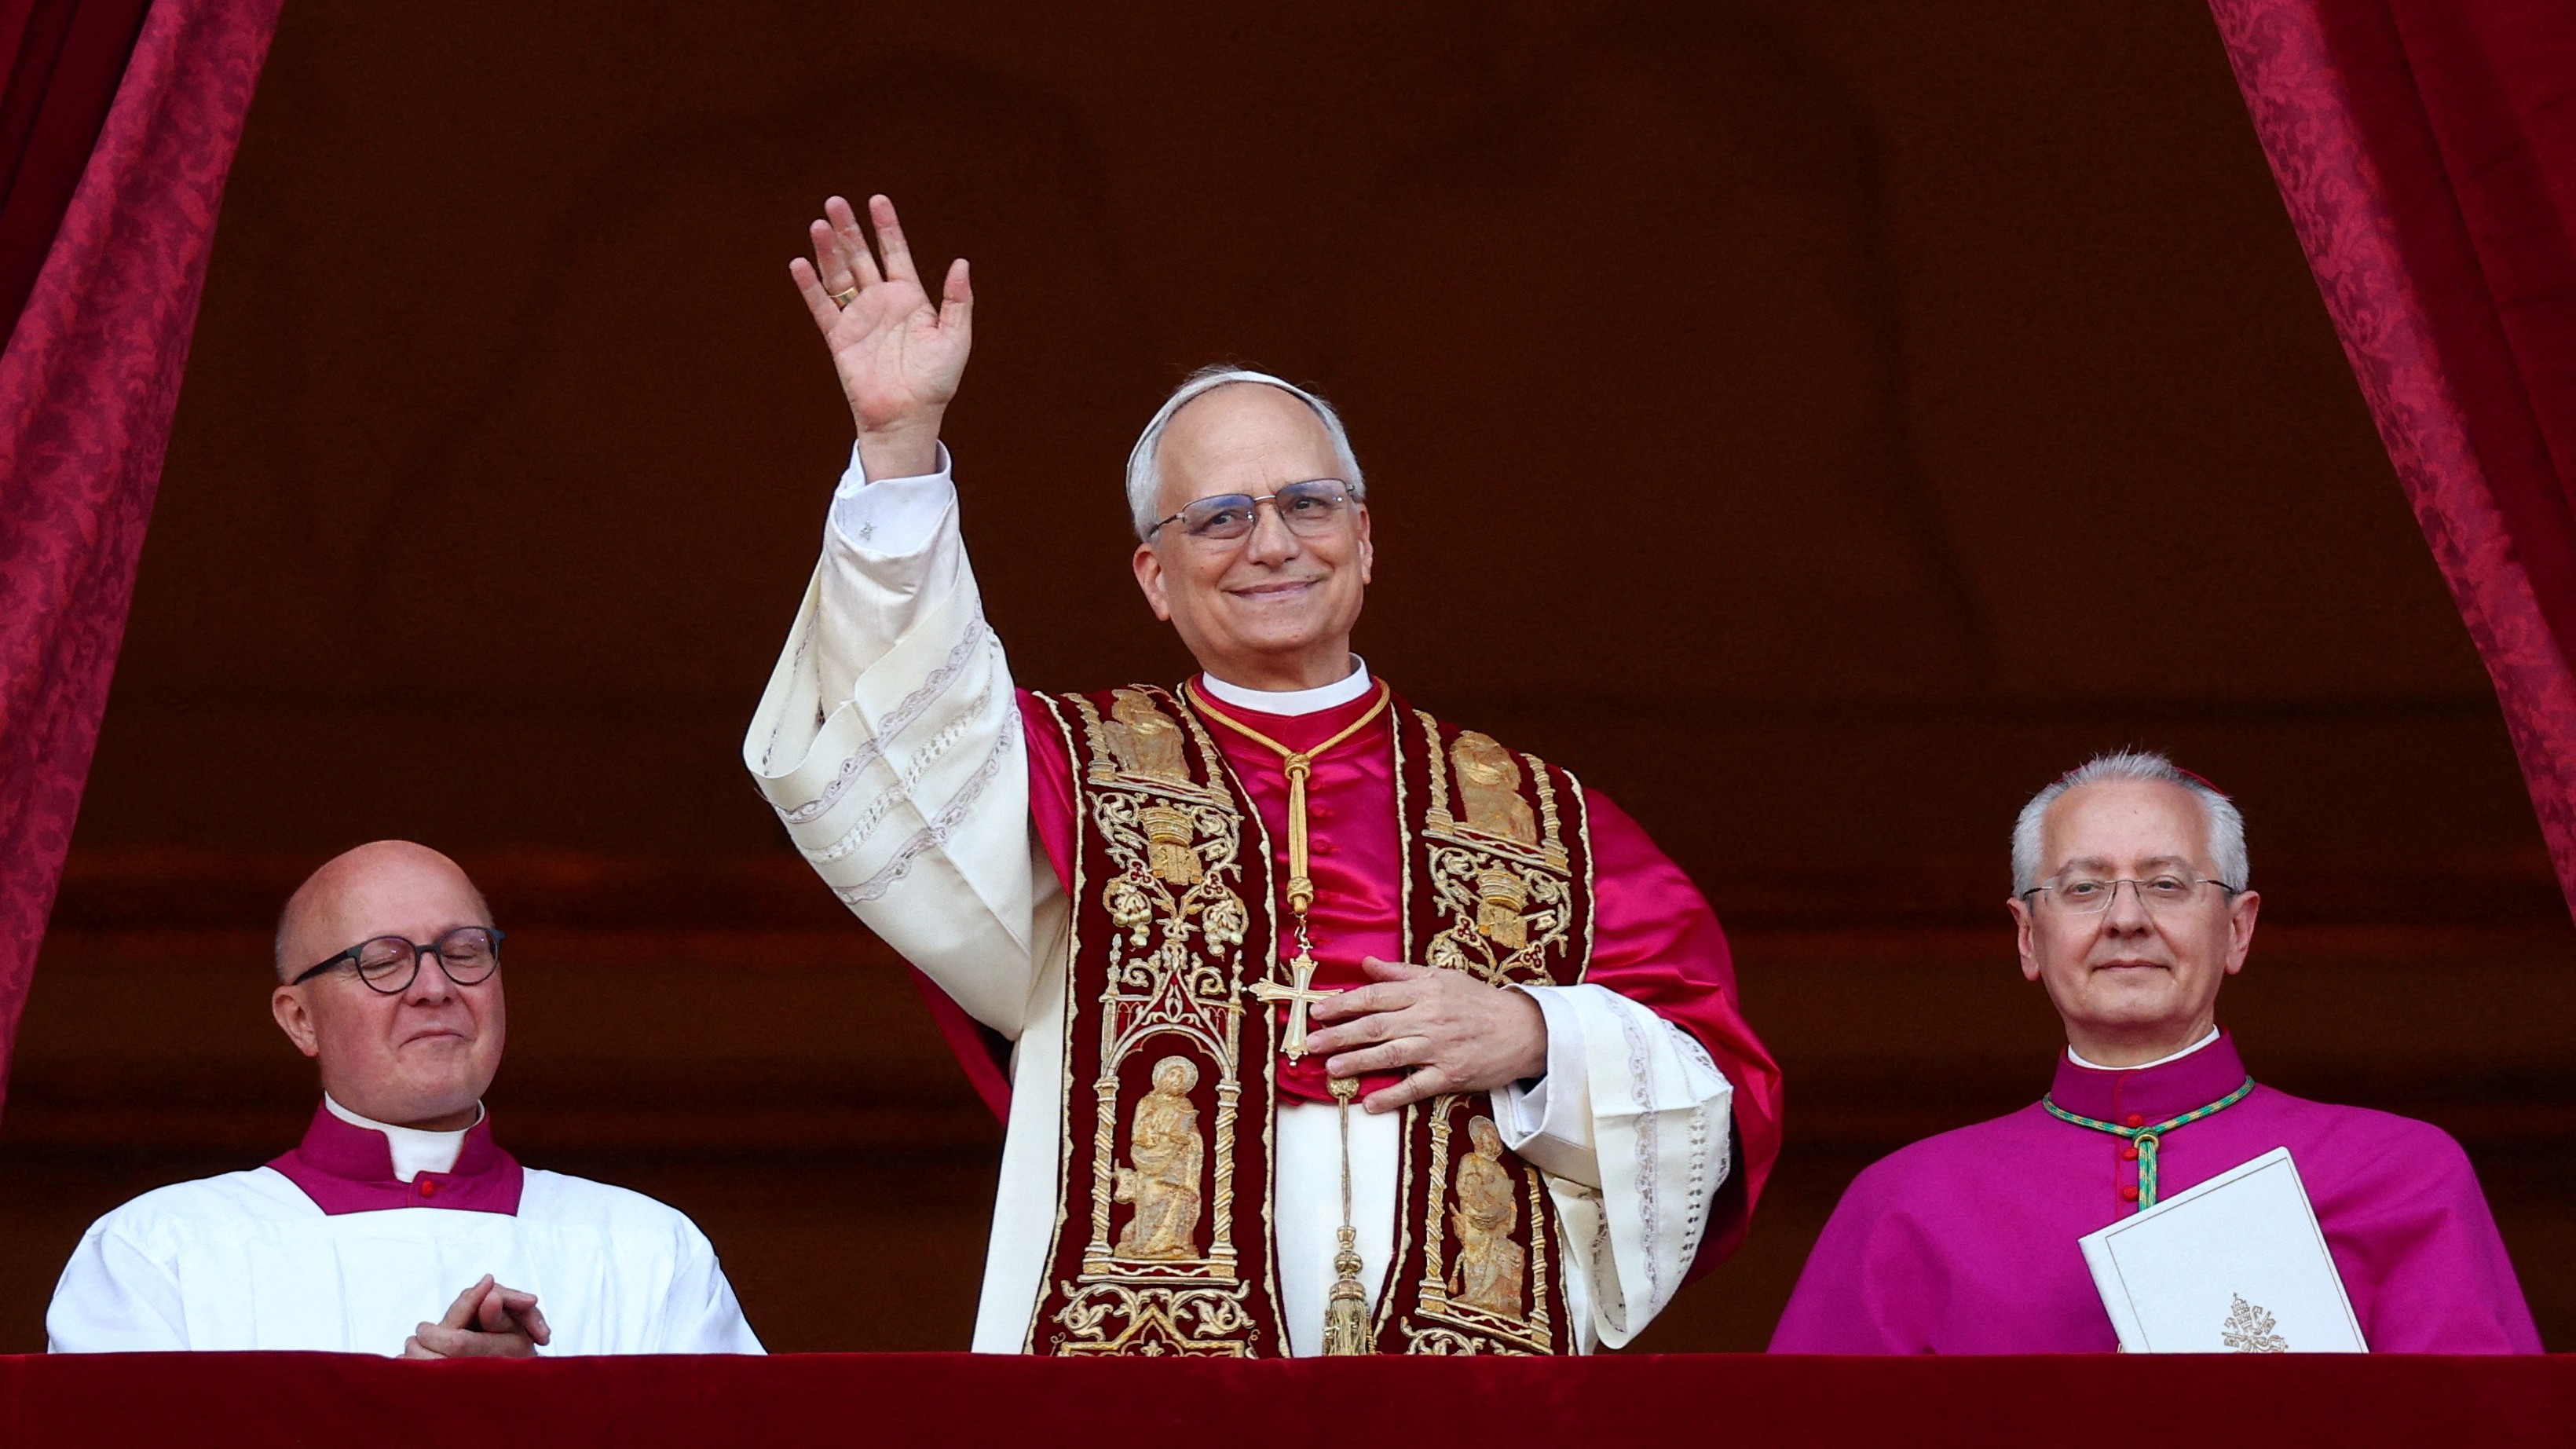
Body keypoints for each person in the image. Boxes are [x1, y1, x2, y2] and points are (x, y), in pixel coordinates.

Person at [743, 194, 1784, 1356]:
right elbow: (900, 727)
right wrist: (898, 452)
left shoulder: (1547, 821)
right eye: (1221, 517)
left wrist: (1539, 1035)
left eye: (1307, 503)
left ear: (1367, 537)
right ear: (1154, 574)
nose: (1275, 544)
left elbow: (1722, 1096)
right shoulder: (1058, 779)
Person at [1769, 751, 2540, 1353]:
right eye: (2082, 889)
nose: (2126, 919)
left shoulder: (2400, 1174)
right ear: (2026, 937)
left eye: (2167, 885)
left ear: (2237, 929)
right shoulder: (1907, 1202)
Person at [46, 841, 763, 1356]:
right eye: (382, 961)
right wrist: (403, 1420)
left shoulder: (645, 1249)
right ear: (300, 1020)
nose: (434, 986)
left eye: (464, 950)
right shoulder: (158, 1254)